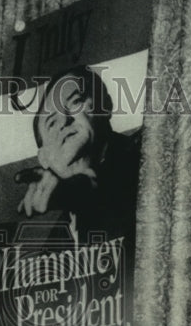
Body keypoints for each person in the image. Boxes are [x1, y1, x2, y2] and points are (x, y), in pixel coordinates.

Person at [17, 65, 141, 232]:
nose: (64, 122)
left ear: (106, 106)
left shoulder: (147, 152)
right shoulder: (48, 247)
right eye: (51, 123)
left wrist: (83, 189)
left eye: (75, 102)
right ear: (43, 158)